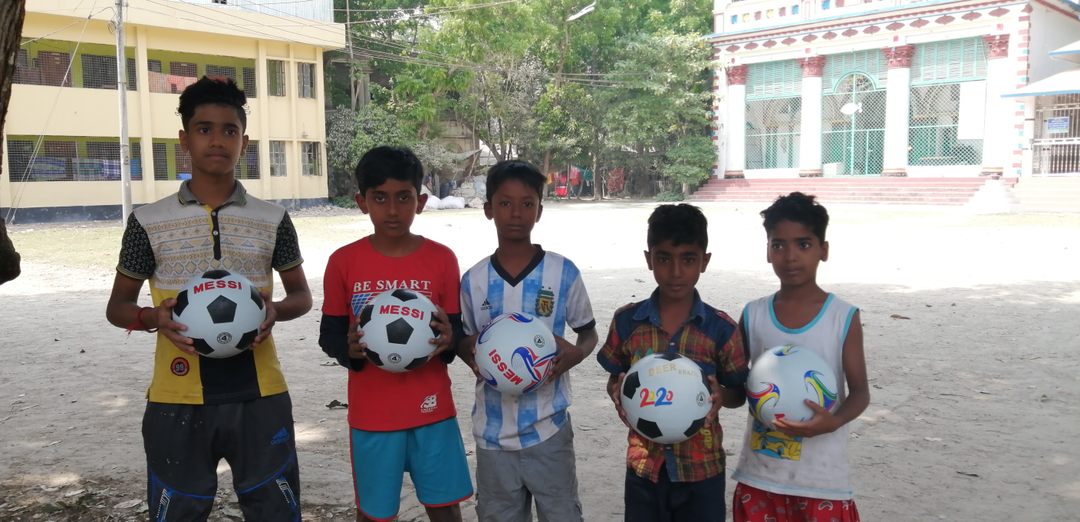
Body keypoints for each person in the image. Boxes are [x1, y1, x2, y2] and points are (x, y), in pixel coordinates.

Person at [104, 76, 312, 521]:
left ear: (244, 142)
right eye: (204, 129)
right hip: (176, 396)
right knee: (177, 512)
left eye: (229, 130)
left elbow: (301, 296)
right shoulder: (148, 221)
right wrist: (153, 317)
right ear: (185, 139)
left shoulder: (273, 219)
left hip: (261, 394)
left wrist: (275, 310)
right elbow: (117, 308)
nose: (217, 140)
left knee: (275, 512)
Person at [318, 145, 473, 522]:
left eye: (403, 197)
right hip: (373, 414)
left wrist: (448, 340)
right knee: (374, 513)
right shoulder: (343, 262)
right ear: (362, 202)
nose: (392, 209)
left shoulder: (442, 259)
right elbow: (329, 334)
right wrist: (349, 350)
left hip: (432, 410)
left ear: (420, 201)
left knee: (444, 507)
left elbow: (453, 331)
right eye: (380, 198)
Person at [457, 159, 598, 522]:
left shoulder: (563, 272)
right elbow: (463, 340)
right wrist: (471, 352)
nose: (516, 213)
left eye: (527, 203)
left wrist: (577, 354)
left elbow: (588, 332)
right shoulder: (473, 280)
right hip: (492, 435)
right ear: (488, 209)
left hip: (548, 429)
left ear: (539, 210)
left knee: (561, 514)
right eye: (505, 203)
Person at [596, 203, 749, 522]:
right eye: (664, 258)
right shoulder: (627, 322)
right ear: (649, 258)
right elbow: (615, 376)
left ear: (704, 261)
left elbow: (738, 393)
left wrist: (719, 395)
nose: (676, 271)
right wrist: (617, 391)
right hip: (644, 469)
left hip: (702, 470)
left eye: (688, 259)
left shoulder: (721, 329)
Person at [731, 192, 870, 521]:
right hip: (760, 476)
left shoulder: (842, 317)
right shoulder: (753, 315)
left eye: (803, 244)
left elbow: (860, 393)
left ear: (824, 250)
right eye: (778, 245)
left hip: (821, 482)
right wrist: (711, 392)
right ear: (768, 251)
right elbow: (736, 391)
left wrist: (833, 421)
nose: (790, 256)